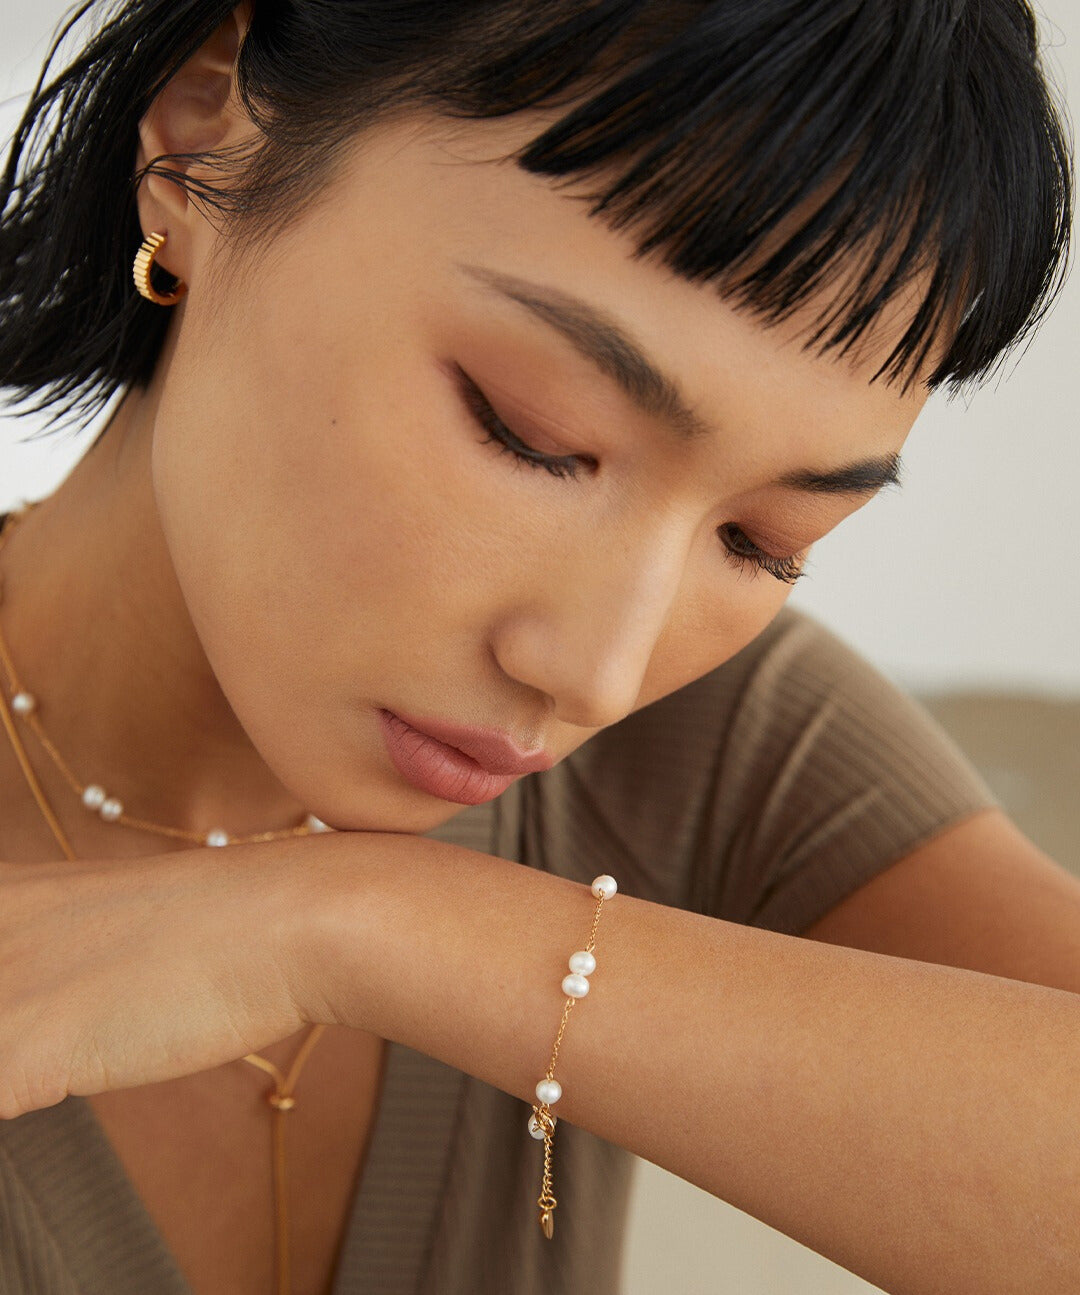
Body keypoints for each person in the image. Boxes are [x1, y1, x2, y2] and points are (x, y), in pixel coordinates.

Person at [0, 1, 1076, 1293]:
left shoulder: (714, 736)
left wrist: (359, 924)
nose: (597, 675)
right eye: (530, 431)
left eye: (764, 540)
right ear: (203, 130)